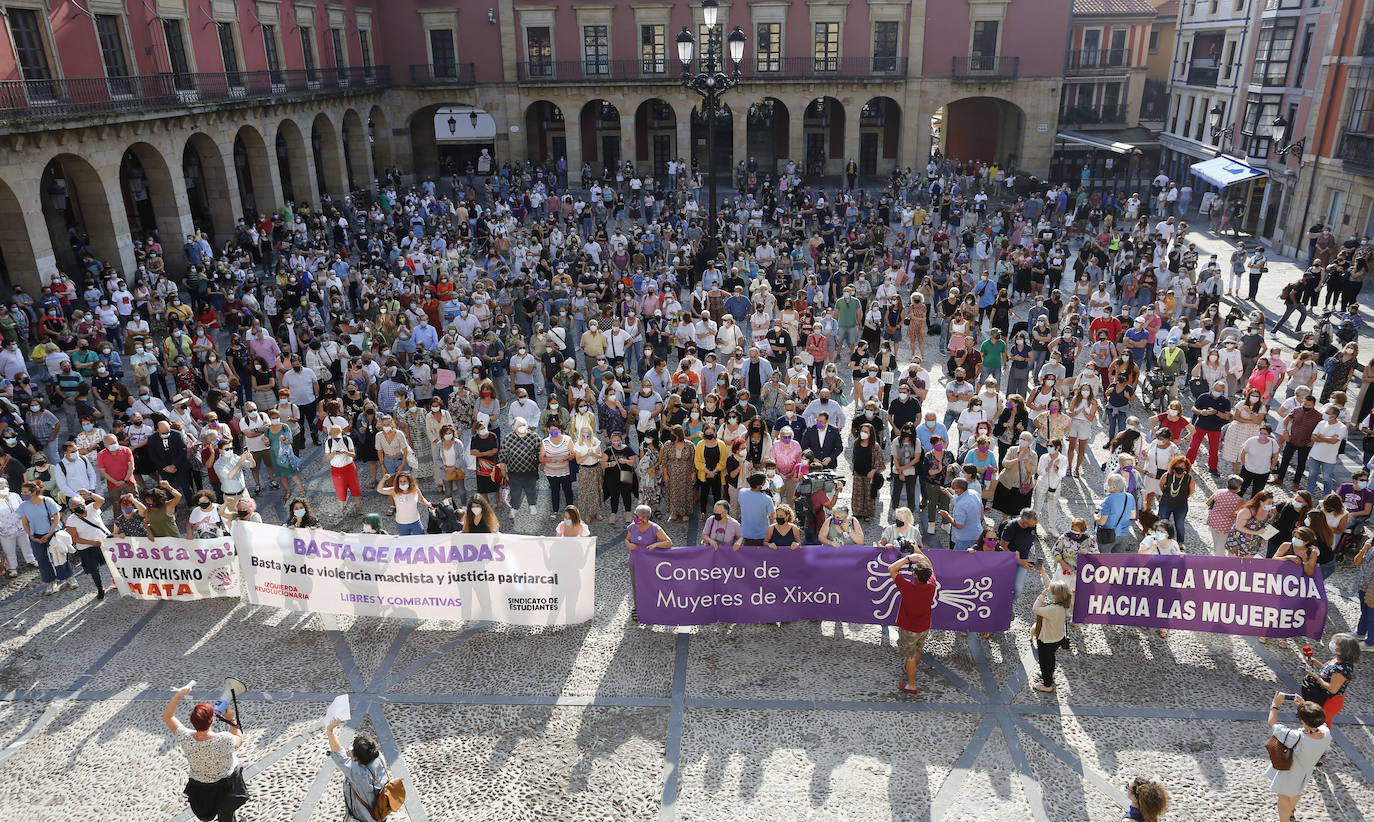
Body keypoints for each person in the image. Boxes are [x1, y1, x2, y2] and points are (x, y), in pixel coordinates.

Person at [163, 684, 246, 822]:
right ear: (212, 720)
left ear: (192, 721)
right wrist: (231, 719)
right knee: (226, 815)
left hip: (200, 788)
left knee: (206, 813)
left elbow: (168, 716)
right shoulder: (224, 739)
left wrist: (178, 695)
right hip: (225, 785)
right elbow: (239, 738)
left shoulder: (185, 737)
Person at [1264, 693, 1331, 822]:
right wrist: (1304, 705)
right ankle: (1291, 813)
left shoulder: (1297, 737)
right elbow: (1316, 722)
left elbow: (1272, 723)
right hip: (1306, 770)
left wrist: (1275, 705)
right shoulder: (1326, 733)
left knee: (1283, 796)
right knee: (1296, 792)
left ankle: (1284, 820)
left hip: (1291, 771)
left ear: (1303, 721)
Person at [888, 550, 937, 696]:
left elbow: (892, 569)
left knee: (909, 656)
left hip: (909, 627)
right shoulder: (932, 585)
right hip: (924, 626)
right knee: (918, 650)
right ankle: (912, 669)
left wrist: (909, 558)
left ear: (915, 576)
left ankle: (912, 685)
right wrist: (918, 551)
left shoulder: (908, 587)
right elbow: (930, 566)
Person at [325, 716, 386, 822]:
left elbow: (341, 756)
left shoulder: (359, 774)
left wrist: (330, 731)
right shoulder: (377, 756)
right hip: (381, 813)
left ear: (357, 760)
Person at [19, 479, 75, 595]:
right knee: (42, 559)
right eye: (22, 492)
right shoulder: (23, 506)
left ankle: (69, 577)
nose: (22, 494)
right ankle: (50, 582)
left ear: (33, 492)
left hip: (52, 533)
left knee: (60, 556)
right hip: (35, 536)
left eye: (25, 492)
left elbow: (57, 517)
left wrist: (49, 533)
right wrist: (31, 536)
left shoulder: (47, 501)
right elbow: (24, 523)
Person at [64, 489, 112, 600]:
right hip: (87, 547)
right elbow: (75, 538)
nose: (79, 508)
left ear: (84, 503)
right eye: (76, 507)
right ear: (71, 509)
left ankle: (118, 582)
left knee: (113, 563)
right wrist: (93, 543)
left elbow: (101, 500)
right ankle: (100, 588)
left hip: (104, 542)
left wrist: (88, 494)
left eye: (80, 505)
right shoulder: (71, 521)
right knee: (94, 570)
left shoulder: (91, 508)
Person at [1301, 633, 1359, 724]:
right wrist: (1316, 663)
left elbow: (1332, 689)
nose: (1332, 644)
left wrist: (1316, 677)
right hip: (1323, 696)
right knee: (1323, 723)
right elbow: (1327, 672)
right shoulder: (1337, 659)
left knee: (1317, 723)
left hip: (1330, 701)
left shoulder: (1342, 669)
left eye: (1335, 643)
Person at [1031, 567, 1071, 693]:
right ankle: (1051, 673)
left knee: (1044, 662)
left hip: (1046, 641)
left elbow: (1035, 609)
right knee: (1051, 658)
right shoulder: (1064, 605)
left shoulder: (1052, 610)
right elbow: (1051, 587)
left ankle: (1046, 685)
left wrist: (1042, 595)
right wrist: (1043, 573)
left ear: (1055, 596)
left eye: (1051, 593)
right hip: (1058, 639)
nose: (1049, 592)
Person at [324, 423, 363, 515]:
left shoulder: (347, 439)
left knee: (355, 488)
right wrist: (333, 453)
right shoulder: (328, 442)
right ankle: (341, 509)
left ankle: (358, 507)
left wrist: (345, 451)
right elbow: (327, 457)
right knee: (340, 489)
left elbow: (353, 454)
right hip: (336, 469)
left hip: (349, 467)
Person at [1095, 473, 1138, 553]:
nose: (1106, 485)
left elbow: (1102, 521)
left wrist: (1095, 517)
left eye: (1108, 484)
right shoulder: (1130, 497)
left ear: (1114, 487)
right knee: (1118, 560)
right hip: (1123, 534)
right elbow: (1133, 516)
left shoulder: (1108, 500)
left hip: (1107, 535)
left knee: (1103, 560)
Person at [940, 476, 983, 551]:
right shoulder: (974, 493)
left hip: (965, 539)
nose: (952, 489)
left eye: (953, 488)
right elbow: (981, 508)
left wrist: (947, 517)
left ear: (958, 490)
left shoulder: (960, 505)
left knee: (958, 560)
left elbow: (959, 526)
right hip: (978, 533)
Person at [738, 472, 776, 546]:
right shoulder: (767, 499)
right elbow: (773, 516)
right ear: (762, 484)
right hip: (762, 535)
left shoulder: (742, 492)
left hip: (745, 534)